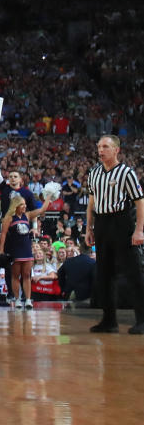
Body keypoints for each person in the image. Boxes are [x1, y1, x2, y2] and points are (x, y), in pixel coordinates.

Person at [86, 135, 144, 333]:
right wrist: (88, 228)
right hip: (101, 223)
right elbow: (91, 203)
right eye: (99, 146)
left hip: (121, 221)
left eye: (105, 146)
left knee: (133, 272)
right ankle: (109, 321)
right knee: (104, 273)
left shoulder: (126, 172)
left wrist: (139, 229)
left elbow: (139, 201)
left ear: (116, 150)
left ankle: (142, 320)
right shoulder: (93, 172)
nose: (101, 150)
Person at [2, 195, 44, 309]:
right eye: (22, 204)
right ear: (16, 205)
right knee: (15, 275)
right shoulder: (9, 218)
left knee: (26, 275)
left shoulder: (27, 215)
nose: (25, 206)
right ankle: (17, 299)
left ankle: (28, 299)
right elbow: (3, 234)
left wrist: (49, 197)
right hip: (15, 249)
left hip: (26, 249)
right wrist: (1, 249)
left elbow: (41, 210)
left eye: (25, 204)